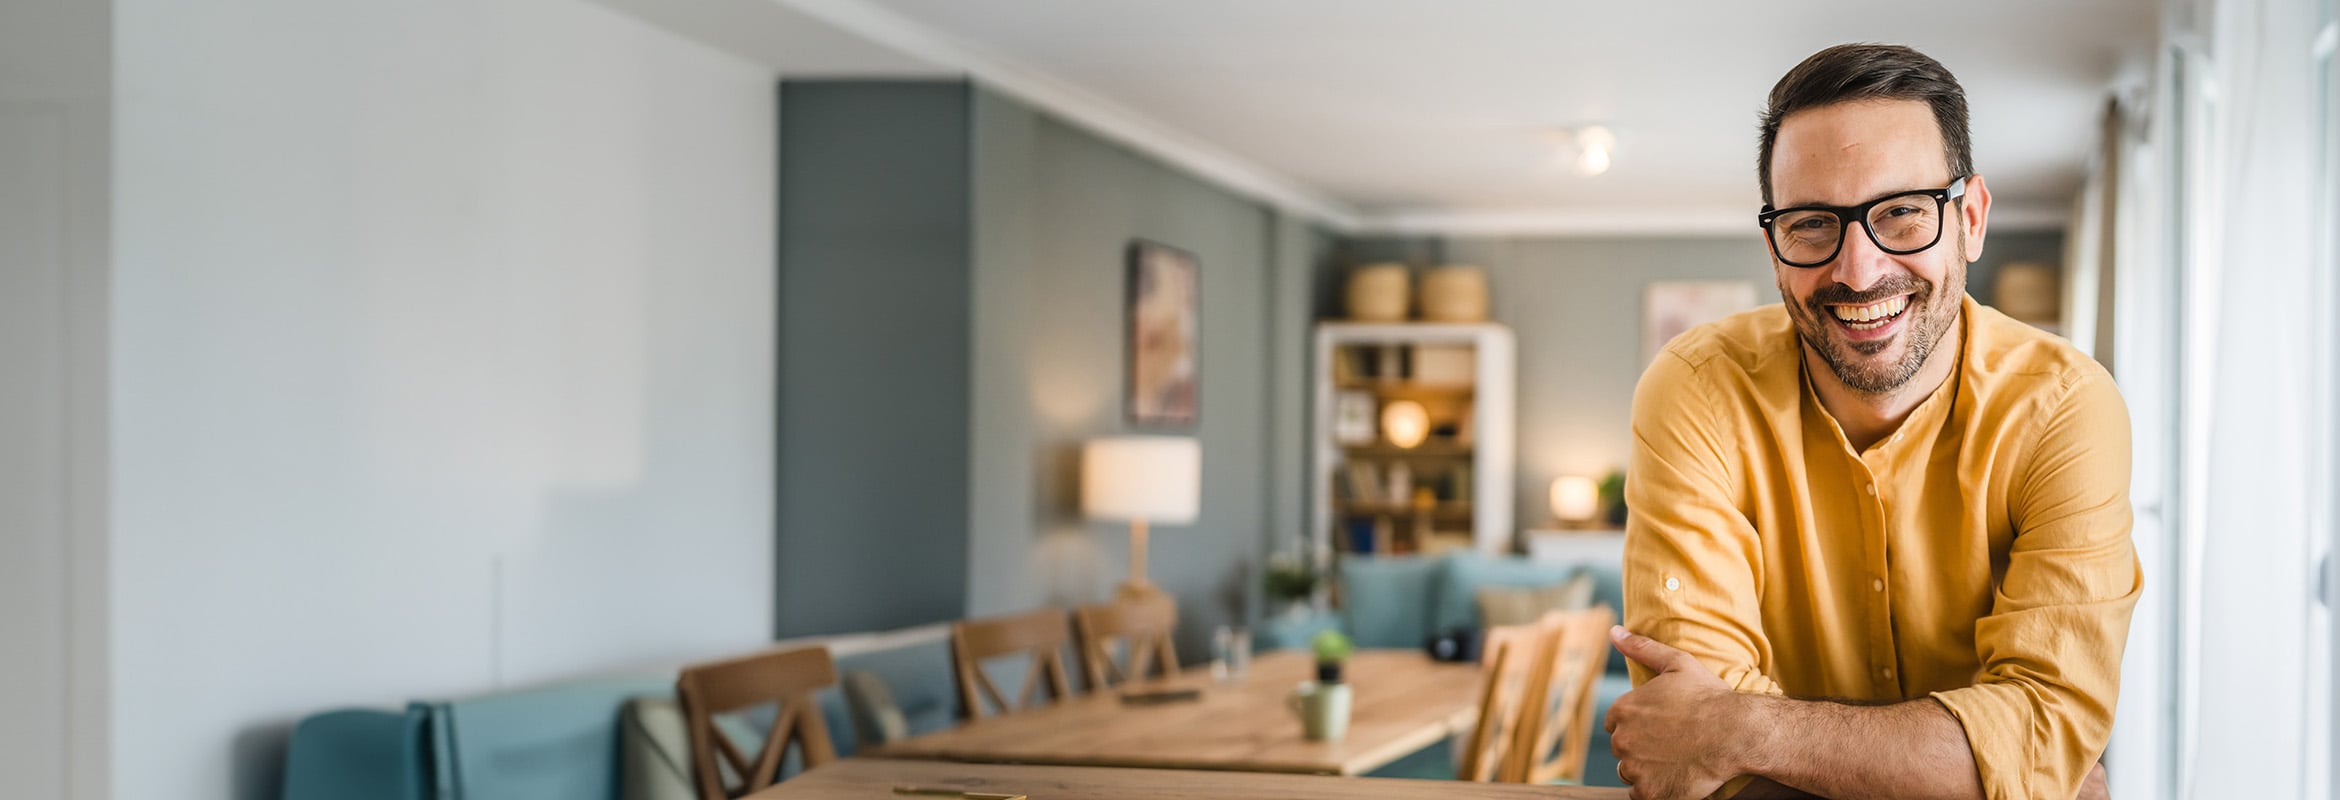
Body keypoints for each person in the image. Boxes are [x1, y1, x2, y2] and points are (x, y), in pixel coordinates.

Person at [1603, 43, 2139, 800]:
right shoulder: (1696, 391)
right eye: (1812, 223)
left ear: (1970, 219)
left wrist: (1744, 732)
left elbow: (2045, 733)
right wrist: (1985, 770)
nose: (1858, 270)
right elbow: (1690, 760)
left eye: (1902, 212)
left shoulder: (2065, 407)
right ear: (1774, 246)